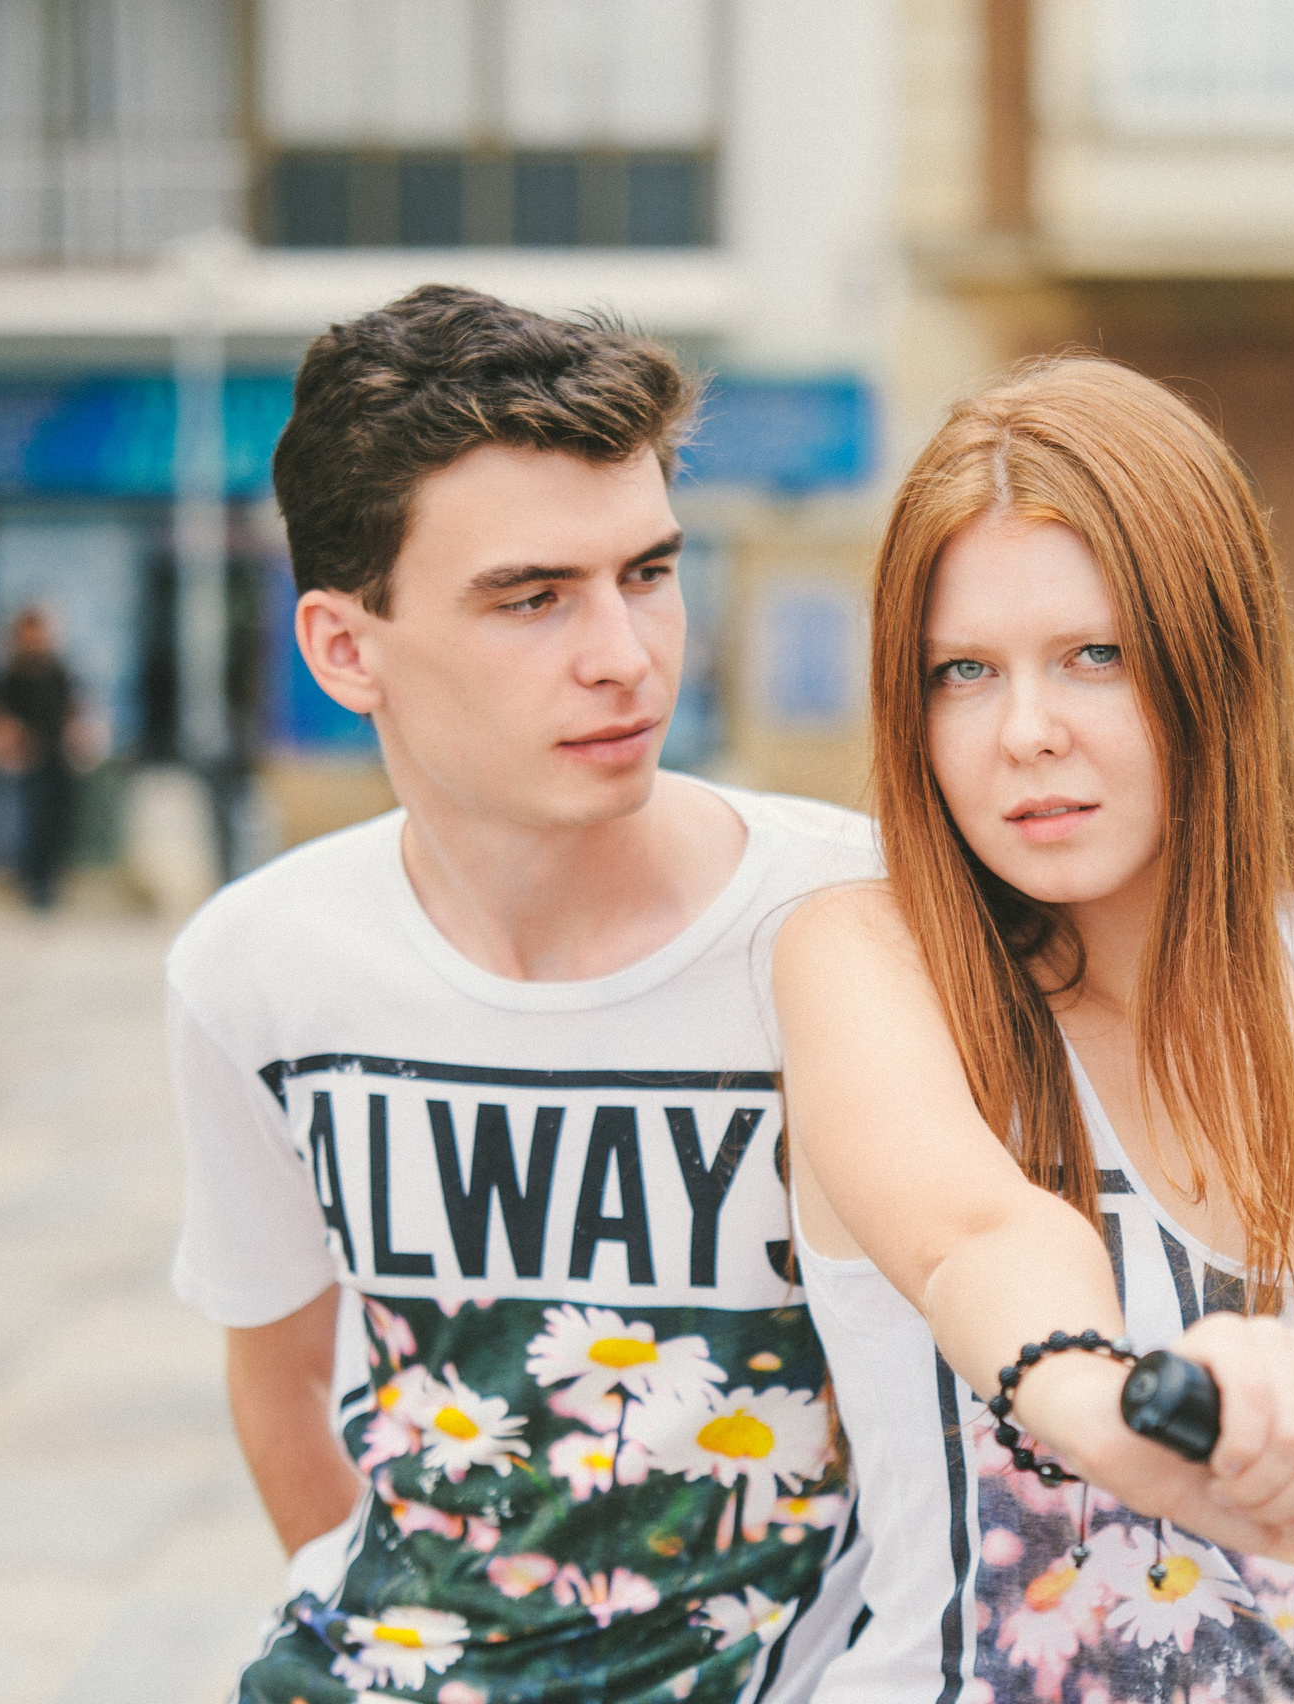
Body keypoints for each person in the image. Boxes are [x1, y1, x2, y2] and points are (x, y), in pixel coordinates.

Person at [166, 286, 877, 1704]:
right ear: (344, 648)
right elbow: (277, 1374)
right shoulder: (259, 969)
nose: (625, 652)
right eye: (533, 598)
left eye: (651, 573)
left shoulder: (855, 923)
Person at [775, 358, 1294, 1703]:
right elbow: (979, 1234)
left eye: (1096, 656)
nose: (1025, 731)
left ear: (1218, 656)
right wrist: (1119, 1403)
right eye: (962, 672)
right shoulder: (871, 955)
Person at [0, 608, 82, 910]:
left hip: (56, 761)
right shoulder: (7, 677)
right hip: (20, 765)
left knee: (55, 823)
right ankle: (28, 882)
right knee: (23, 824)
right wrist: (7, 741)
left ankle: (50, 882)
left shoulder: (60, 674)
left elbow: (78, 712)